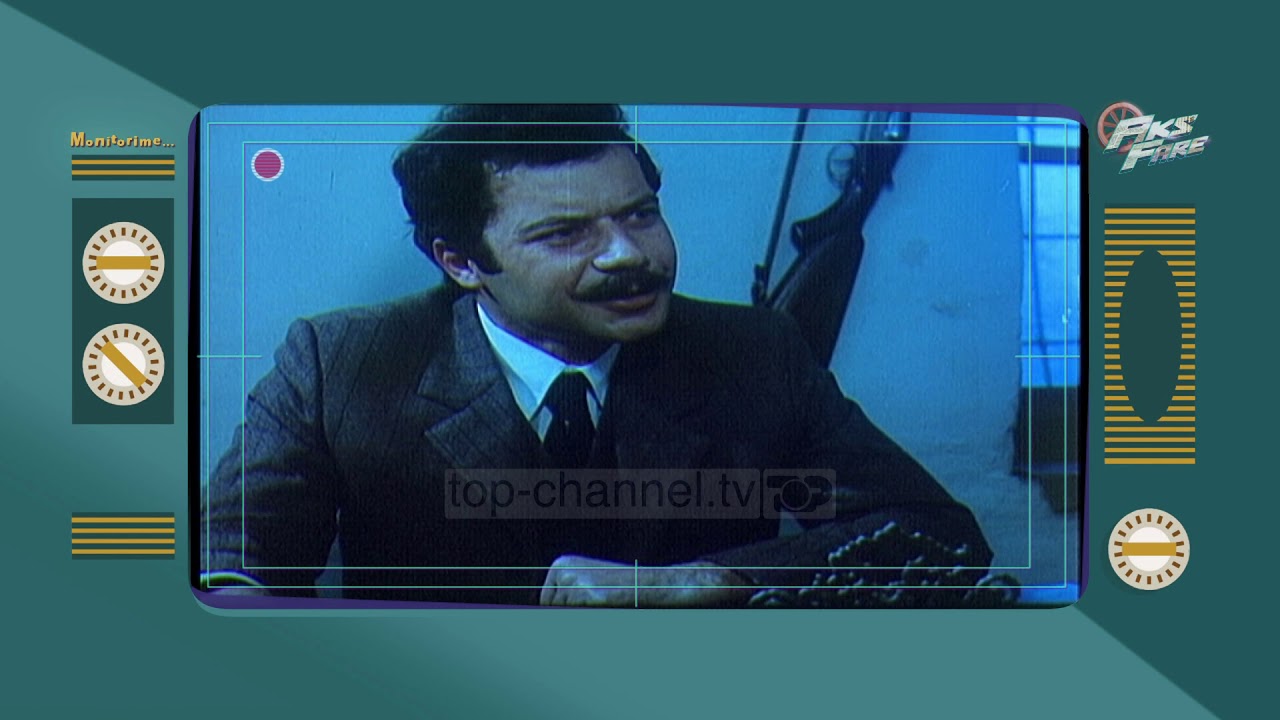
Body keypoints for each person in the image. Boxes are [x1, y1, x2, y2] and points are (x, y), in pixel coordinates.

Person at [201, 104, 992, 607]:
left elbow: (939, 536)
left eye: (640, 214)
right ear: (461, 262)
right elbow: (228, 568)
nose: (628, 254)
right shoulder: (338, 362)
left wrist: (709, 580)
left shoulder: (755, 352)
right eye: (566, 233)